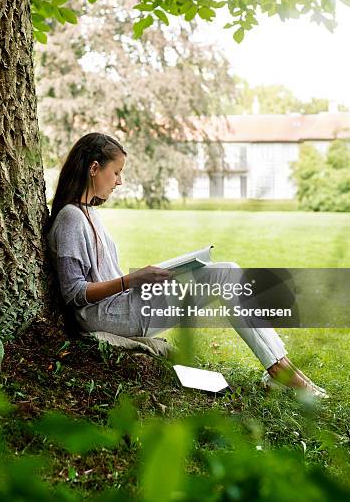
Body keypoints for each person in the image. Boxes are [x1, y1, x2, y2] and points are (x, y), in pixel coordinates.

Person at [46, 132, 328, 398]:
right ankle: (279, 369)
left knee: (226, 271)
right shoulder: (71, 218)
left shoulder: (88, 213)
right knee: (226, 274)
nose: (119, 181)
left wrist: (144, 279)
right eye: (116, 172)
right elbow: (74, 293)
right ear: (94, 168)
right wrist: (131, 281)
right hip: (107, 315)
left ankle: (280, 365)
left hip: (121, 304)